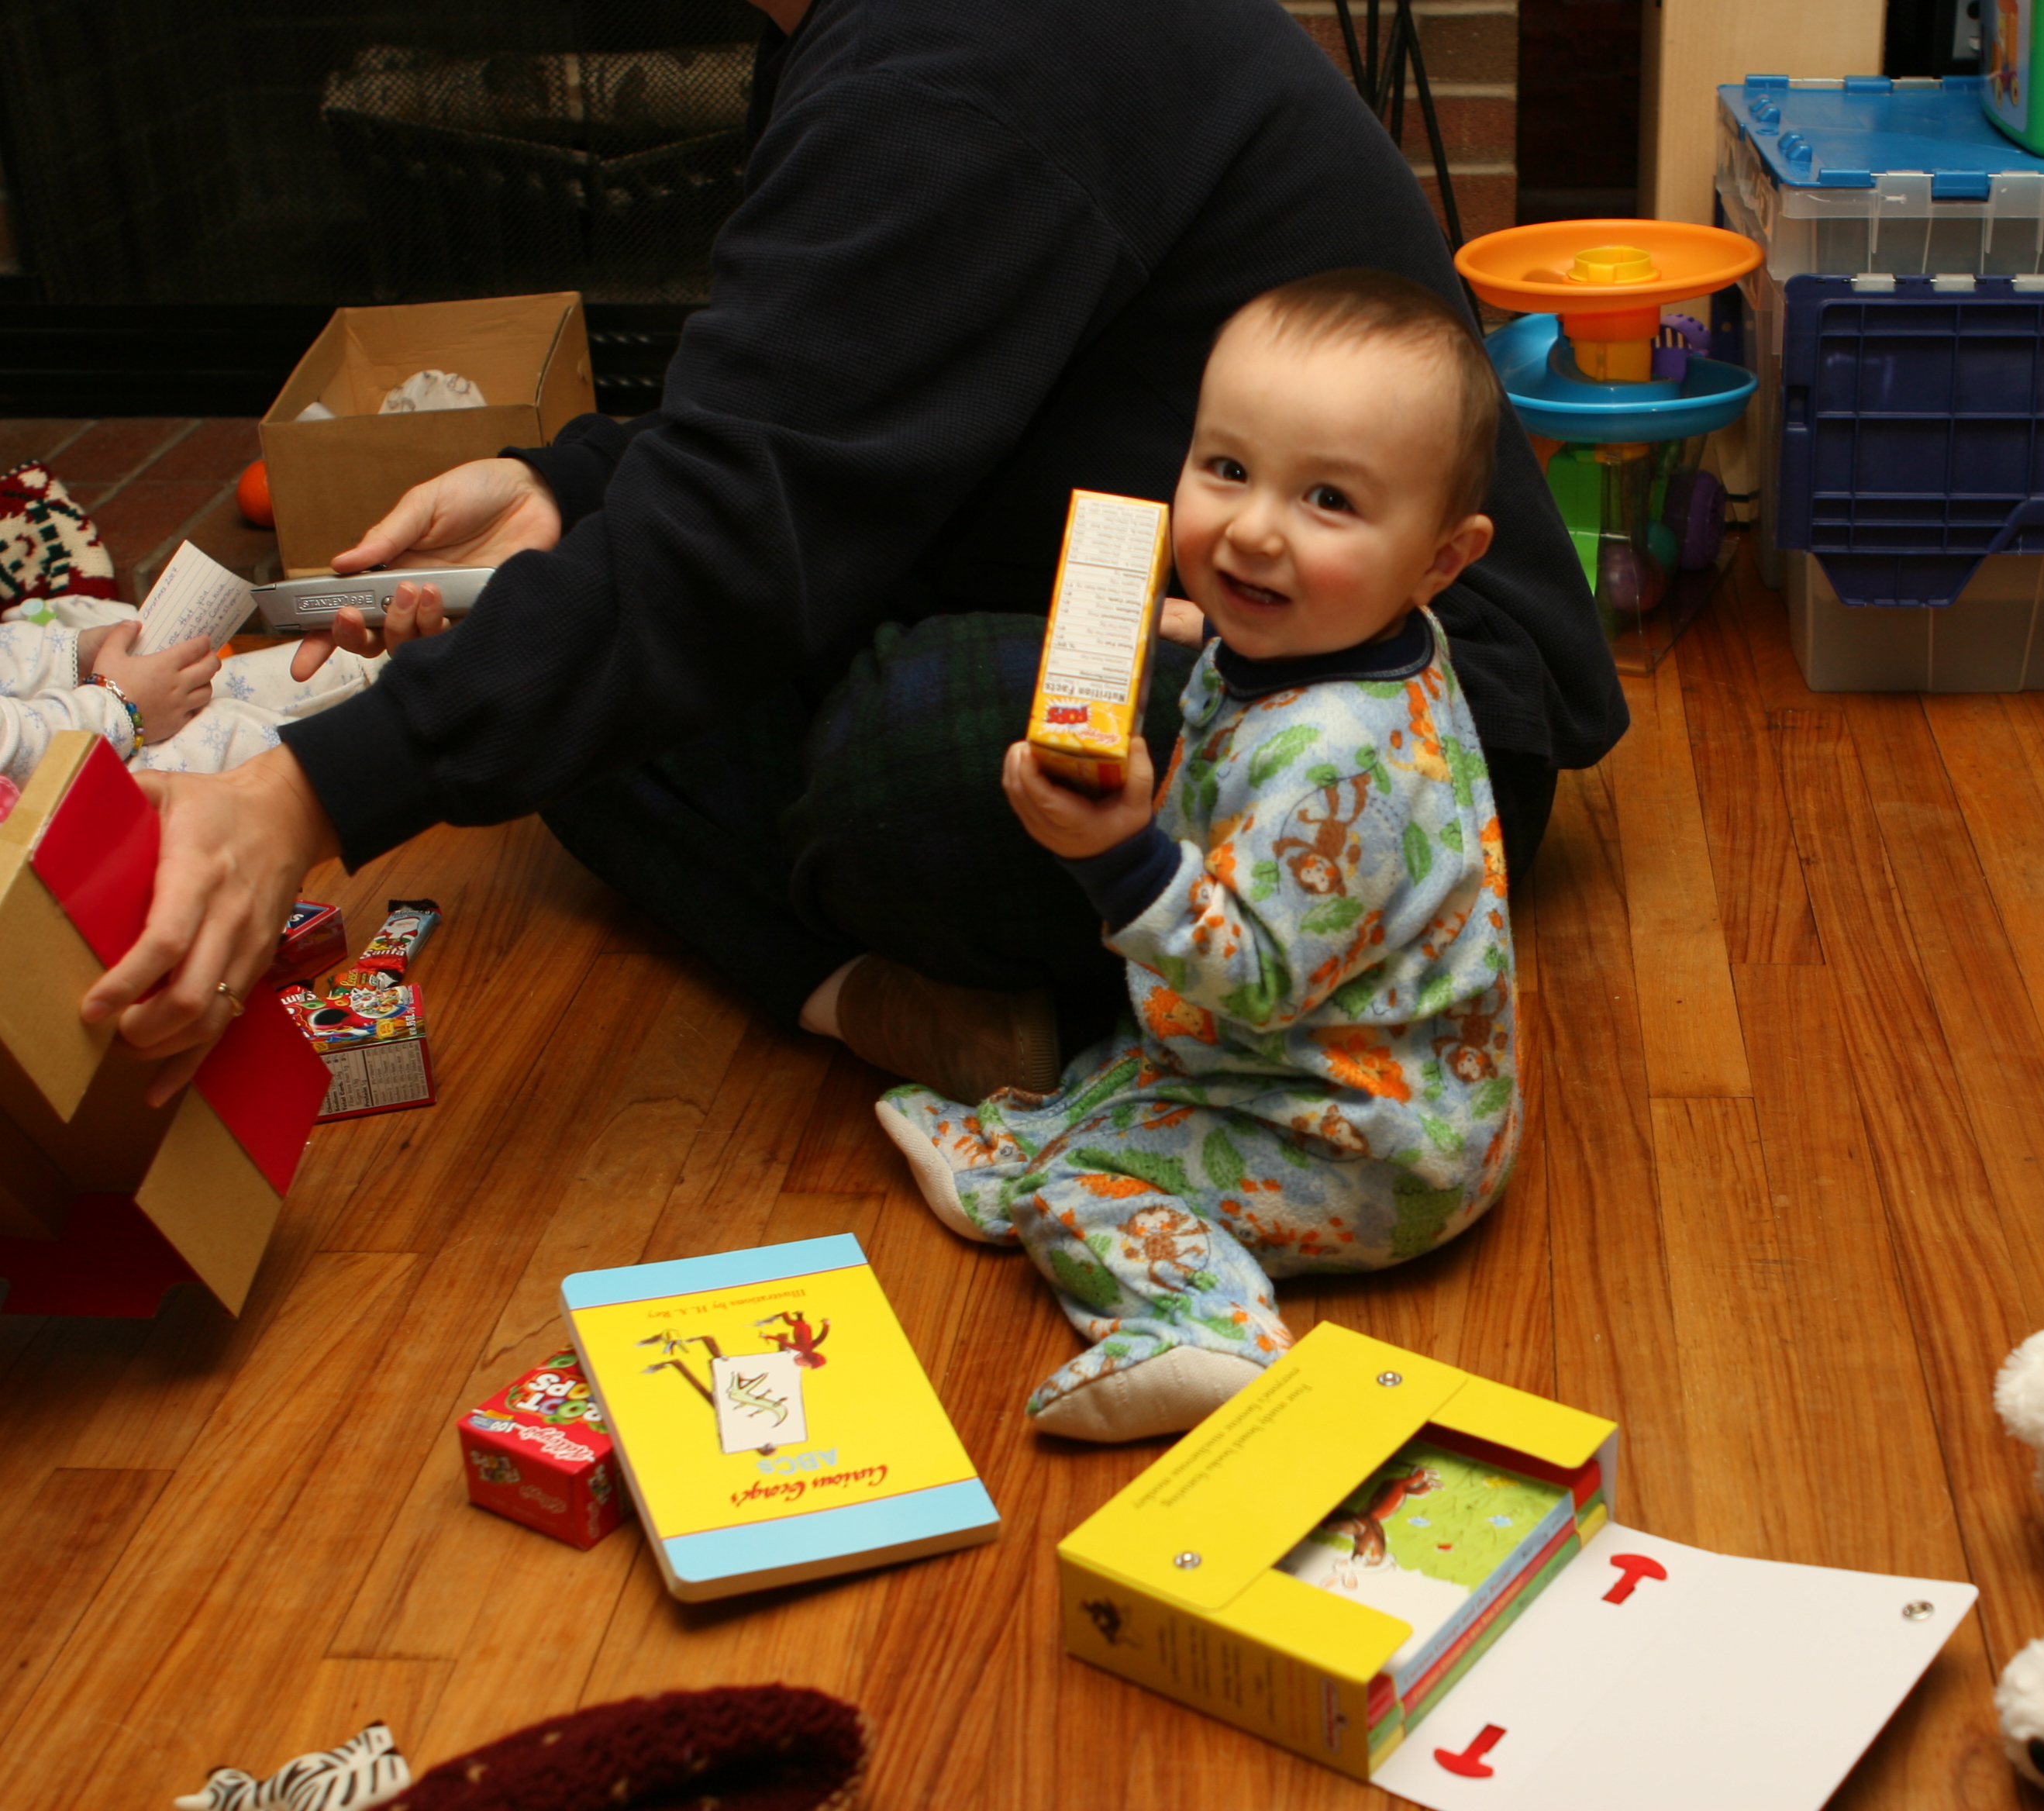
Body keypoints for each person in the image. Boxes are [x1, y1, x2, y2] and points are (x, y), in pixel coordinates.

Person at [83, 0, 1625, 1109]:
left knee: (903, 747)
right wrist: (564, 488)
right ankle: (859, 996)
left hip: (1367, 704)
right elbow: (833, 394)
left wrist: (295, 796)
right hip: (1105, 579)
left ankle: (948, 938)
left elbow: (745, 524)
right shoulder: (871, 42)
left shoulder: (959, 53)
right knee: (555, 649)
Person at [882, 271, 1518, 1441]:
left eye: (1328, 499)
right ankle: (1026, 1147)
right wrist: (1203, 623)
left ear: (1440, 558)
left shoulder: (1338, 760)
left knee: (1088, 1191)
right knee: (1119, 1061)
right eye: (1227, 468)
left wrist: (1119, 858)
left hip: (1369, 1153)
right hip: (1333, 1076)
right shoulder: (1354, 630)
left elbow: (1254, 979)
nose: (1254, 528)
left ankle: (1208, 1327)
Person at [0, 461, 388, 788]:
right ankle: (381, 760)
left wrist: (70, 654)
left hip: (71, 718)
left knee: (216, 687)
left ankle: (391, 671)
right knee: (218, 734)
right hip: (45, 794)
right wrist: (118, 707)